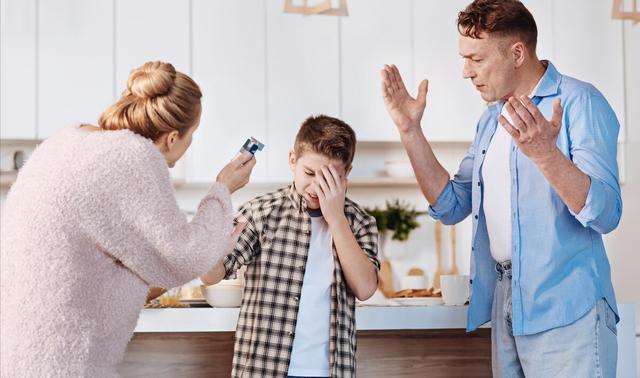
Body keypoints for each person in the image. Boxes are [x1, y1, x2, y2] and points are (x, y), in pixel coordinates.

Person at [380, 0, 622, 376]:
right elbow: (451, 203)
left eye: (476, 59)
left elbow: (607, 213)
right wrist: (410, 131)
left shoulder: (579, 102)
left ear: (517, 53)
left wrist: (546, 154)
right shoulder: (492, 119)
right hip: (508, 305)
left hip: (567, 309)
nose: (466, 72)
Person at [0, 61, 256, 377]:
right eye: (193, 135)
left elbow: (119, 259)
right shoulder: (134, 158)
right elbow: (185, 257)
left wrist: (210, 238)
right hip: (65, 366)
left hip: (20, 356)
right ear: (173, 138)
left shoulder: (67, 141)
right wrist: (223, 189)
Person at [200, 115, 380, 378]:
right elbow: (209, 276)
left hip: (331, 371)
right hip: (264, 369)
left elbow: (365, 289)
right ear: (292, 161)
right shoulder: (261, 213)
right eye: (309, 173)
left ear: (347, 173)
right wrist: (214, 249)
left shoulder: (359, 222)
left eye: (330, 178)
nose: (317, 187)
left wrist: (336, 218)